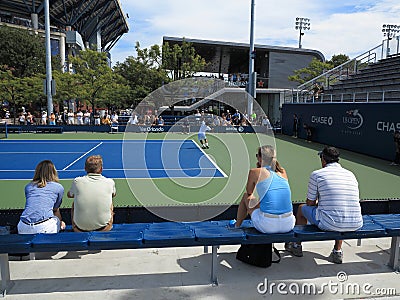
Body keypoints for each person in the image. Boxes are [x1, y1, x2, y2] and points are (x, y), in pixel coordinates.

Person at [285, 146, 363, 264]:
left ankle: (296, 246)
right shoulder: (351, 174)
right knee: (339, 212)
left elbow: (310, 203)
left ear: (323, 159)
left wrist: (319, 203)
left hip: (329, 223)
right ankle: (337, 251)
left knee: (301, 209)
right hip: (356, 223)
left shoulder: (317, 175)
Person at [231, 145, 295, 234]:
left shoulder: (254, 172)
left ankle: (237, 225)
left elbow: (250, 192)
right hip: (288, 224)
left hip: (268, 226)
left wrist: (258, 169)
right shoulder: (282, 171)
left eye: (257, 156)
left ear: (260, 158)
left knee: (246, 196)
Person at [67, 155, 116, 232]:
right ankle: (108, 224)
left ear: (85, 168)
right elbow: (113, 194)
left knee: (74, 203)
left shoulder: (77, 181)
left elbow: (69, 195)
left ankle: (75, 226)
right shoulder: (110, 182)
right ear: (101, 169)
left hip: (79, 229)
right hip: (104, 228)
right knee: (110, 203)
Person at [17, 160, 65, 234]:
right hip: (45, 227)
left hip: (23, 227)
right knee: (59, 218)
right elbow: (55, 209)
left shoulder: (28, 187)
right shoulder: (58, 187)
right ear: (53, 172)